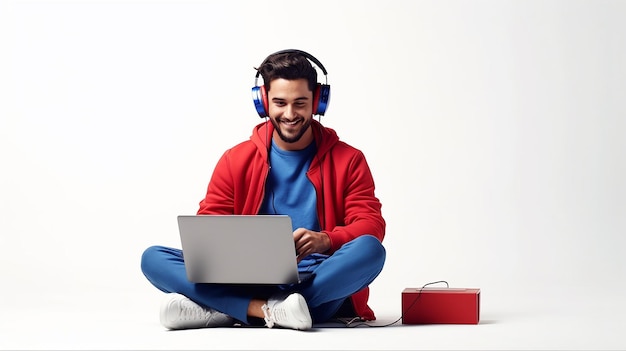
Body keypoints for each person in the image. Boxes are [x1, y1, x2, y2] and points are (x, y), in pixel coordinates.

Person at [140, 49, 386, 331]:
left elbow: (371, 225)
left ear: (317, 101)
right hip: (245, 279)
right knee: (153, 258)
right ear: (263, 100)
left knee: (371, 250)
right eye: (280, 103)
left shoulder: (349, 159)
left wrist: (325, 240)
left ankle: (229, 309)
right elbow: (208, 230)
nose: (290, 114)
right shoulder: (235, 159)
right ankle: (265, 310)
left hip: (316, 281)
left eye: (300, 103)